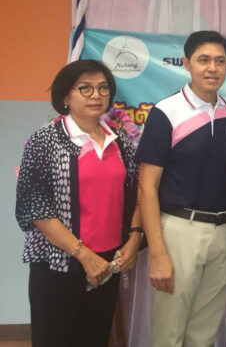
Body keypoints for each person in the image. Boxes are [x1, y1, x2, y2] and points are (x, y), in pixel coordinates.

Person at [15, 59, 142, 347]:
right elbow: (36, 206)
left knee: (95, 337)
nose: (96, 95)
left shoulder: (120, 142)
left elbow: (137, 195)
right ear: (65, 96)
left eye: (102, 88)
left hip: (108, 262)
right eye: (85, 88)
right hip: (59, 263)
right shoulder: (45, 140)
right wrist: (84, 255)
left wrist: (134, 239)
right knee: (55, 339)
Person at [136, 31, 226, 347]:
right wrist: (157, 253)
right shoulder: (166, 112)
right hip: (179, 231)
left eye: (220, 61)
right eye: (203, 60)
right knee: (169, 332)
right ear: (186, 63)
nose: (212, 68)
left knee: (204, 332)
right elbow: (147, 186)